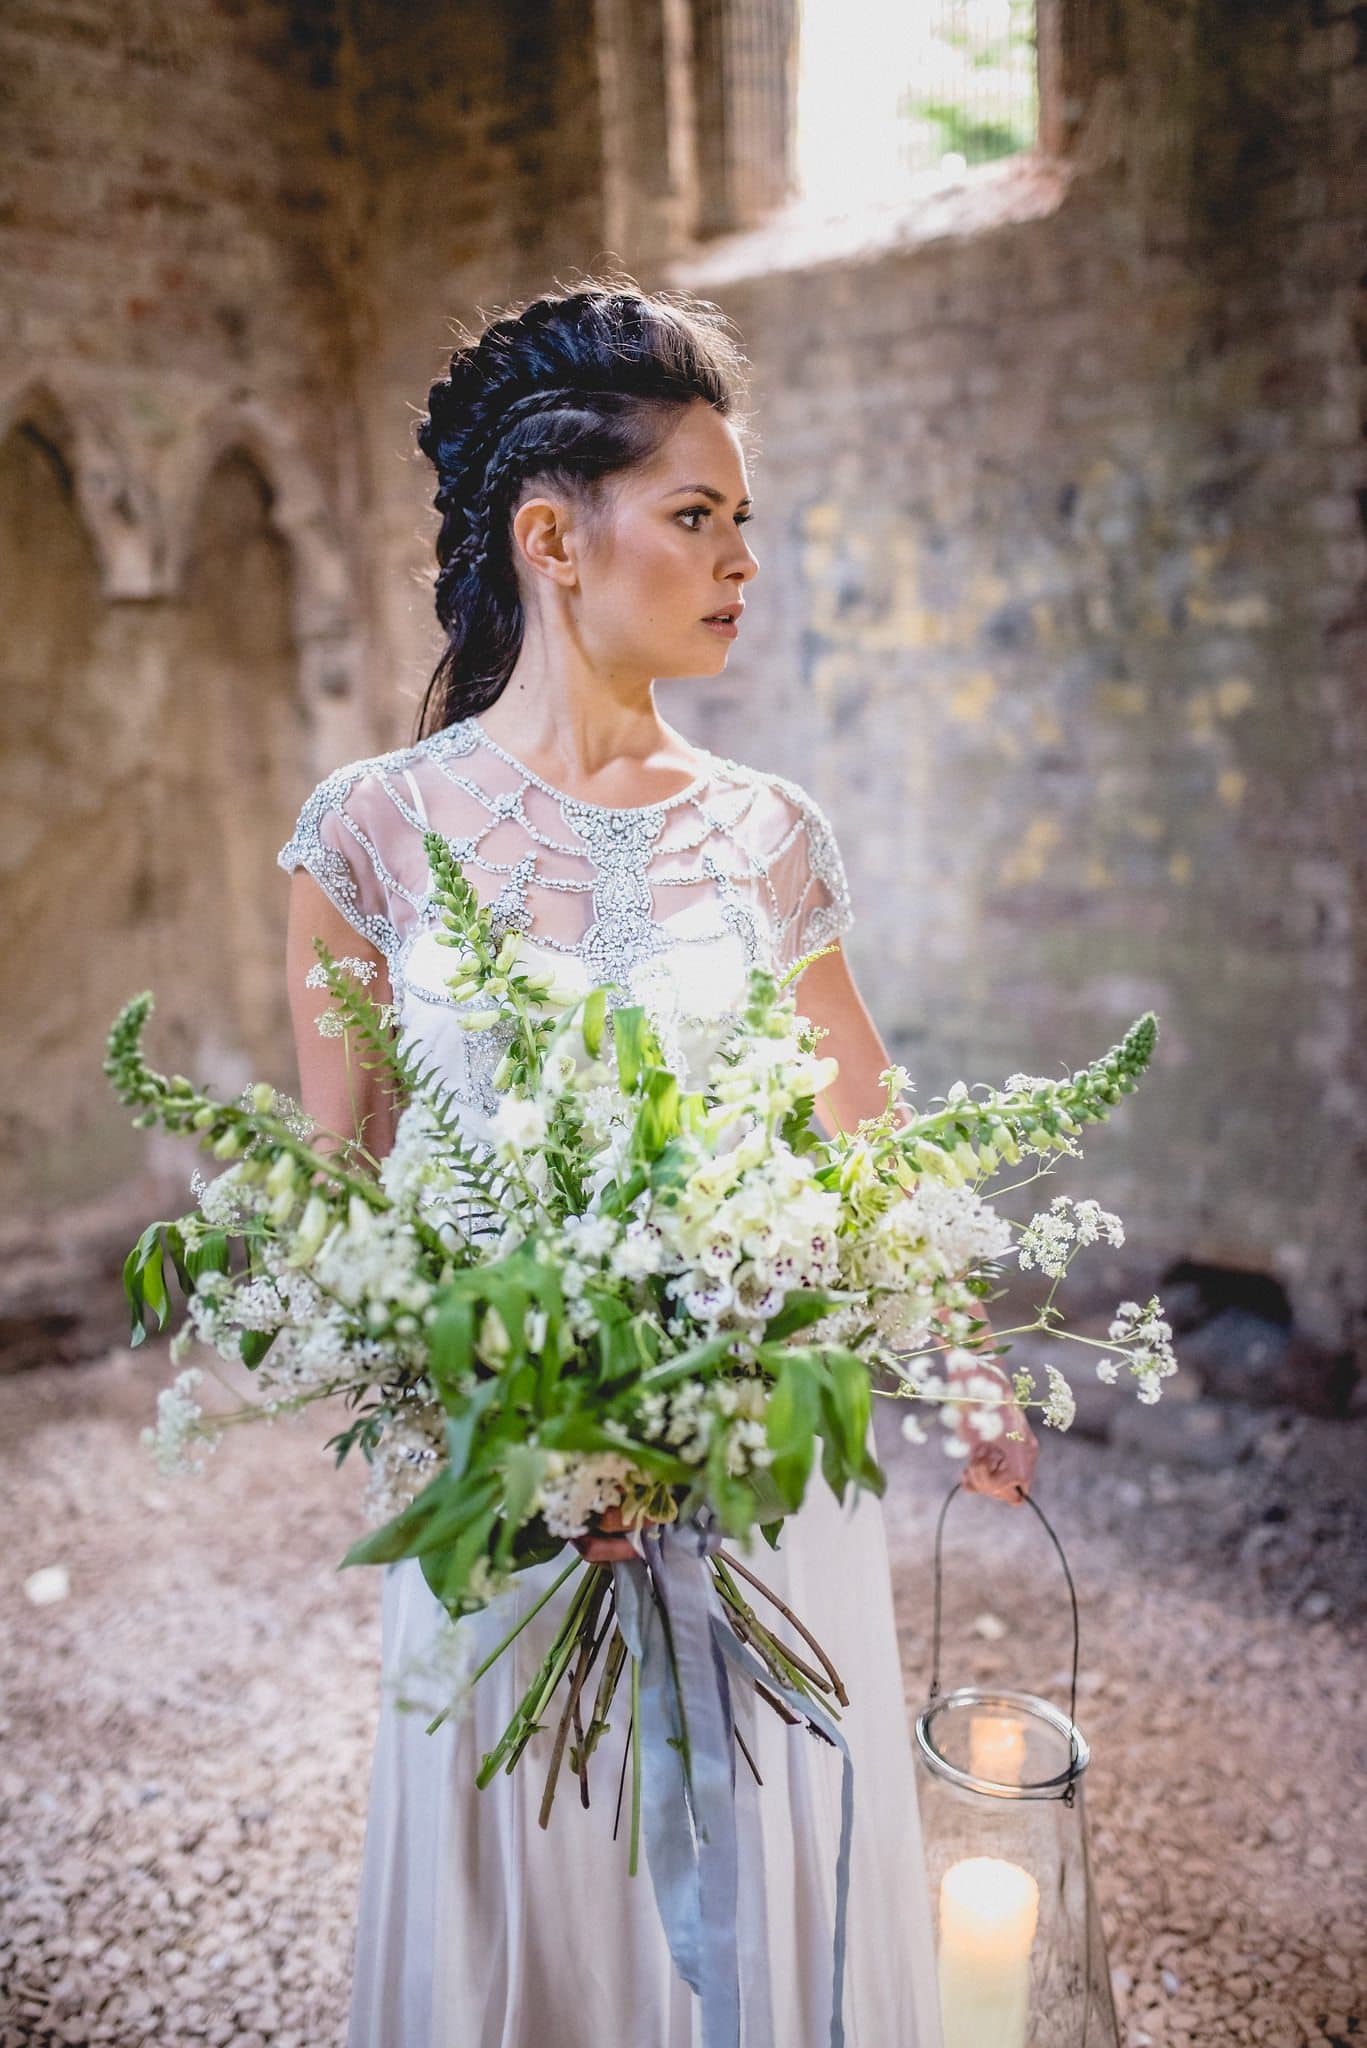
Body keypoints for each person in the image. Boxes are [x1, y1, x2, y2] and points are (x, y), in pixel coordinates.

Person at [277, 277, 1039, 2048]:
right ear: (552, 535)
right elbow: (336, 1191)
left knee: (775, 1893)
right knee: (529, 1893)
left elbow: (866, 1119)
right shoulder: (368, 835)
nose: (737, 561)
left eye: (740, 522)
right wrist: (494, 1408)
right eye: (695, 517)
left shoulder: (771, 834)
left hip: (767, 1474)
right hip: (511, 1492)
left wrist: (969, 1350)